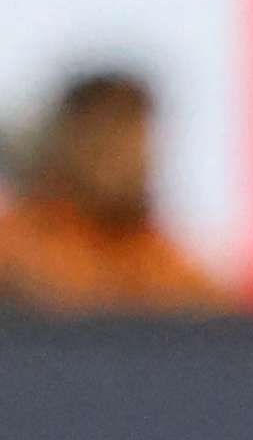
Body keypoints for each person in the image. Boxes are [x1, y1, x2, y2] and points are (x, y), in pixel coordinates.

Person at [0, 70, 222, 311]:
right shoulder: (16, 246)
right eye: (108, 133)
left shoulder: (157, 258)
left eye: (133, 137)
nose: (126, 157)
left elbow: (217, 314)